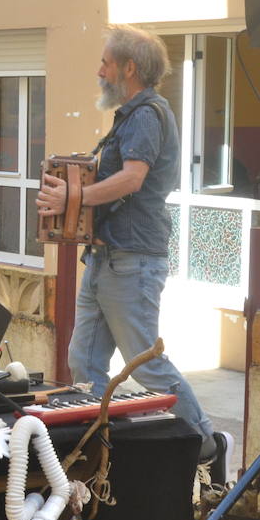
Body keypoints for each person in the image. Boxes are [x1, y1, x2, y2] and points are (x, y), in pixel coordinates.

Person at [35, 25, 223, 469]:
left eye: (106, 62)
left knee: (145, 366)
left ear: (129, 68)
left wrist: (70, 198)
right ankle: (101, 455)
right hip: (107, 257)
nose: (99, 70)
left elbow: (133, 178)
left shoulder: (146, 114)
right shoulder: (133, 114)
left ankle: (208, 445)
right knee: (84, 361)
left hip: (132, 259)